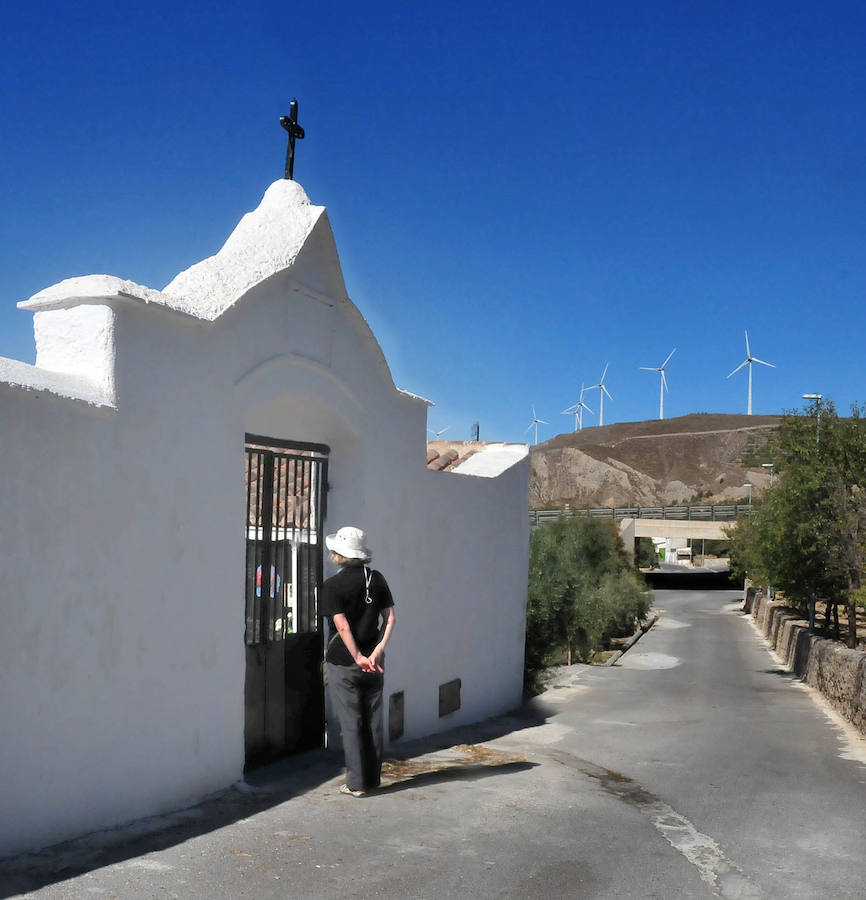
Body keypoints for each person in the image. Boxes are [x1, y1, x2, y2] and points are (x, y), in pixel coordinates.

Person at [320, 526, 396, 797]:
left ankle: (356, 783)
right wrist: (376, 651)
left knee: (352, 722)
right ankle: (373, 778)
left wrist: (358, 657)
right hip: (375, 662)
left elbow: (342, 627)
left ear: (338, 554)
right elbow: (390, 618)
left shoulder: (332, 586)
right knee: (373, 719)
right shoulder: (376, 579)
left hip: (344, 662)